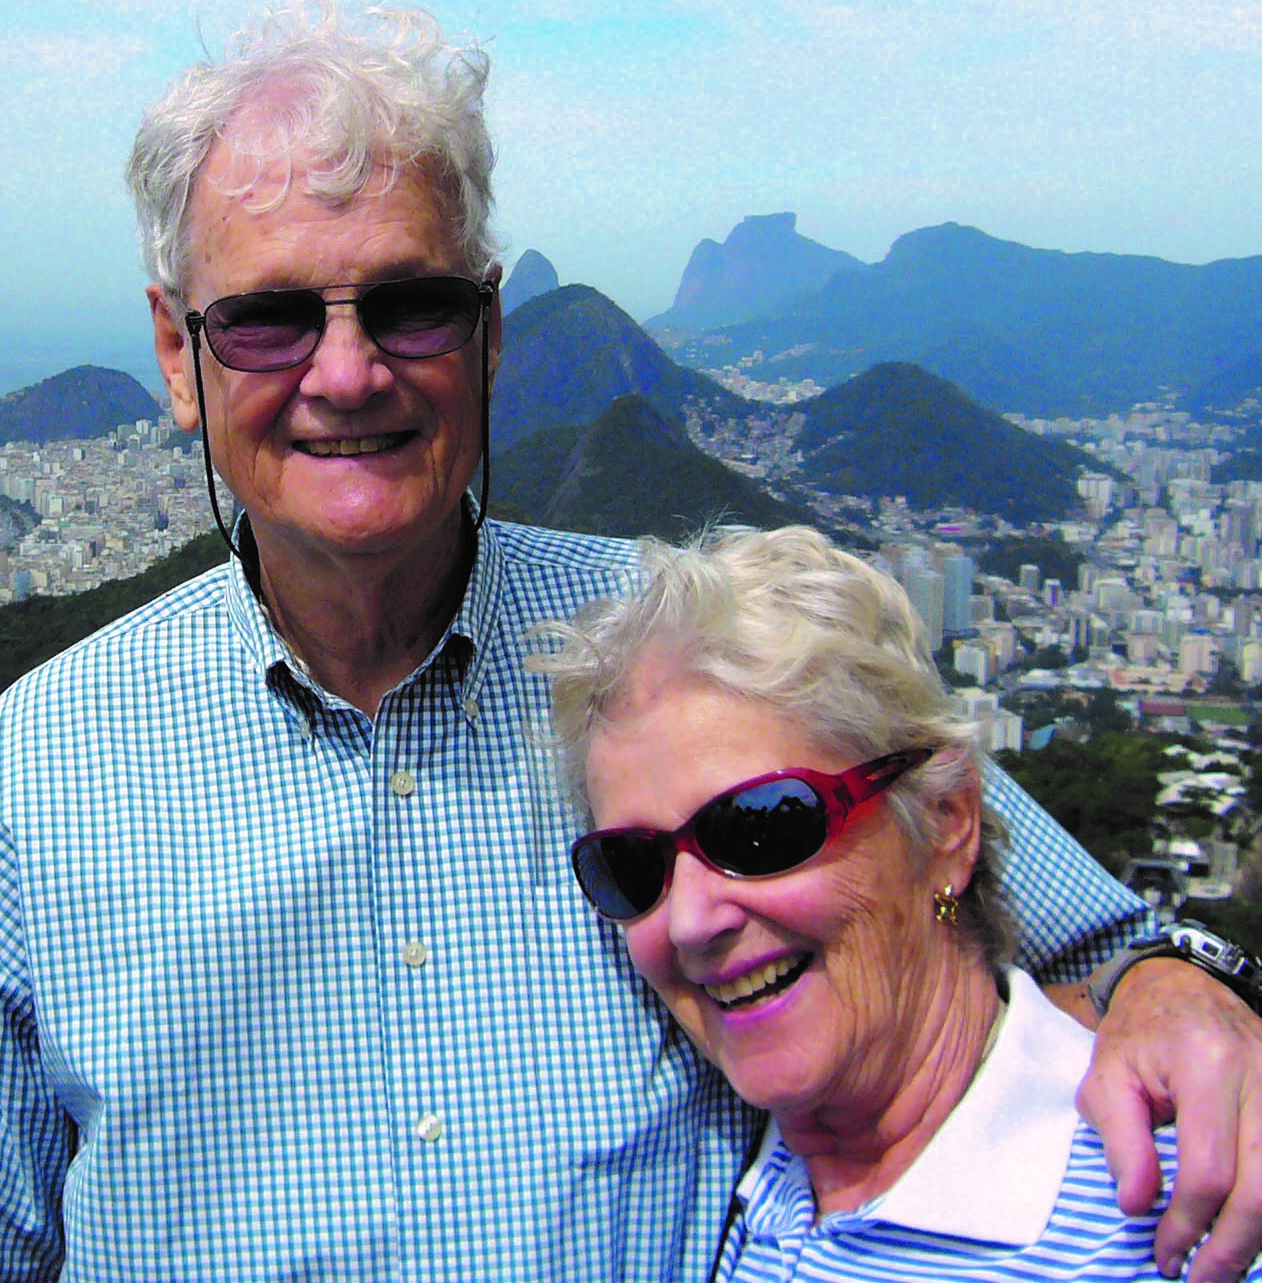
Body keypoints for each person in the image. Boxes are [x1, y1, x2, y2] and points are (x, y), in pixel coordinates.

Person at [0, 0, 1258, 1281]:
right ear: (178, 358)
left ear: (490, 331)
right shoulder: (41, 774)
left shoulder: (675, 652)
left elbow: (1056, 910)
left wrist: (1172, 984)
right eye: (263, 322)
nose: (346, 372)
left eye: (410, 302)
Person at [536, 524, 1262, 1281]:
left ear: (948, 820)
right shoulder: (742, 1188)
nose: (690, 919)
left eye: (762, 826)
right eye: (631, 864)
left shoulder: (1198, 1207)